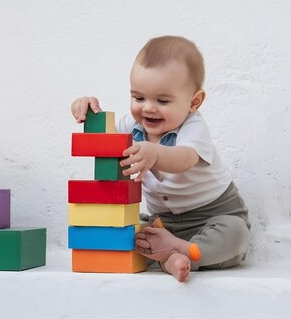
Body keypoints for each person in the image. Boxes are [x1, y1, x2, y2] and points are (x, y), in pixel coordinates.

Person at [70, 36, 250, 282]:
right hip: (163, 223)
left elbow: (185, 159)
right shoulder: (130, 125)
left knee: (236, 234)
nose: (148, 108)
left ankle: (182, 250)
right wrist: (91, 112)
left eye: (162, 101)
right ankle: (173, 258)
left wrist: (154, 153)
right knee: (128, 231)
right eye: (138, 98)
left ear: (194, 102)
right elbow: (105, 143)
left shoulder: (193, 126)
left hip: (213, 216)